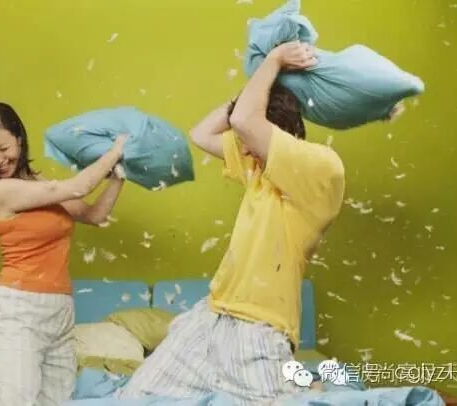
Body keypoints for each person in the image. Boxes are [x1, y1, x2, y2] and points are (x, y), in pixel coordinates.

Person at [117, 41, 345, 404]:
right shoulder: (256, 167)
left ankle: (305, 386)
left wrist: (273, 60)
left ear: (274, 132)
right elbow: (201, 133)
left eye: (248, 140)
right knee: (136, 396)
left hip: (260, 327)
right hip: (211, 316)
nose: (242, 148)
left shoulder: (320, 168)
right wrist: (247, 96)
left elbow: (244, 121)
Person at [0, 102, 126, 406]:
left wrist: (118, 176)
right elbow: (79, 187)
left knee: (56, 402)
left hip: (60, 309)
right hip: (19, 309)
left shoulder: (39, 184)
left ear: (19, 140)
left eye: (3, 148)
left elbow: (94, 215)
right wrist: (115, 151)